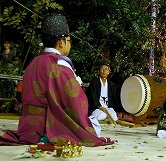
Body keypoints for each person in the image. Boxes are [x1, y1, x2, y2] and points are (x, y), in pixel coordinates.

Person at [0, 12, 114, 146]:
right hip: (49, 127)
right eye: (69, 41)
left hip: (28, 129)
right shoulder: (59, 64)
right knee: (93, 126)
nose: (70, 45)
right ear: (61, 42)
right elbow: (74, 103)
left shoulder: (33, 63)